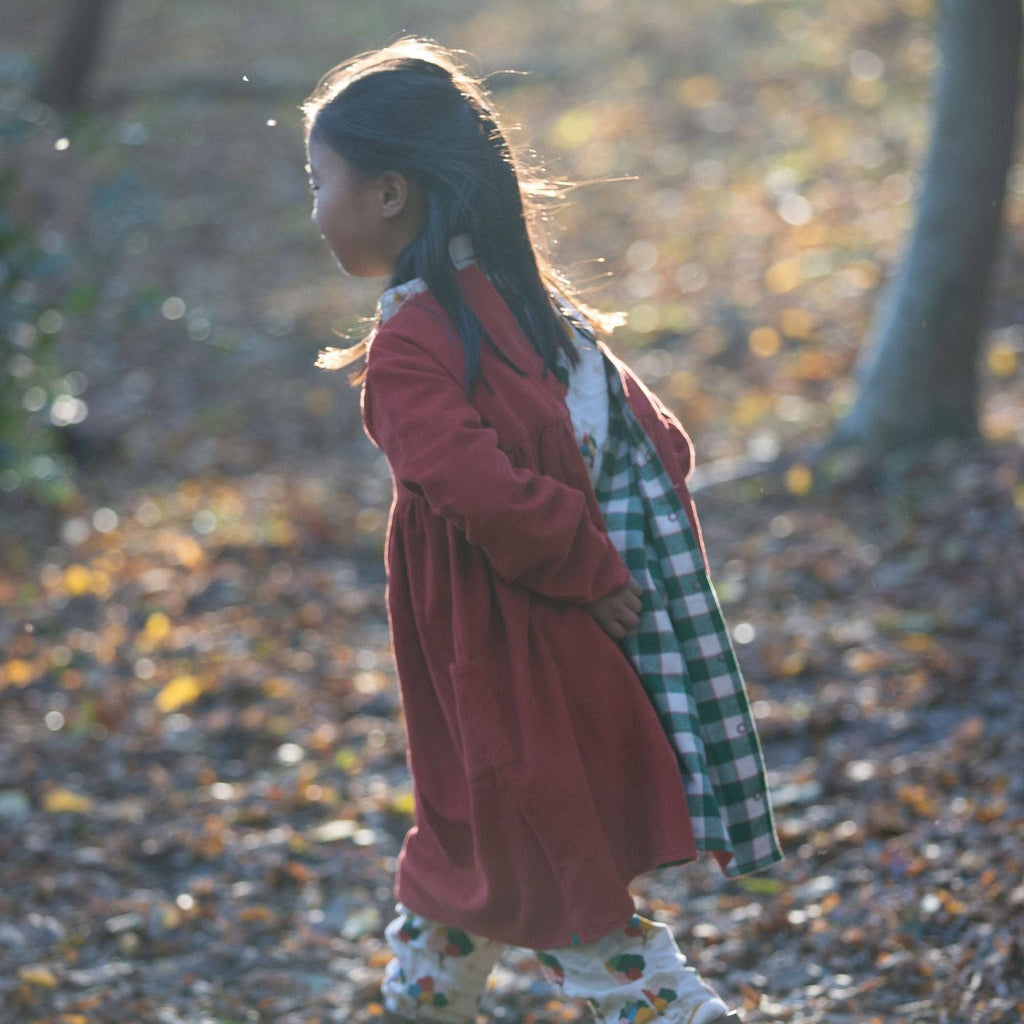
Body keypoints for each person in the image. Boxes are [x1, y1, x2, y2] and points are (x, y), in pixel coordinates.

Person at [303, 38, 782, 1024]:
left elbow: (473, 485)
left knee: (548, 852)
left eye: (319, 181)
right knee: (481, 841)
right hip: (560, 637)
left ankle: (669, 1007)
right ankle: (422, 1001)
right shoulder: (537, 309)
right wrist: (607, 550)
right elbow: (660, 442)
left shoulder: (408, 349)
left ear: (388, 194)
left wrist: (577, 557)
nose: (312, 209)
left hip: (499, 656)